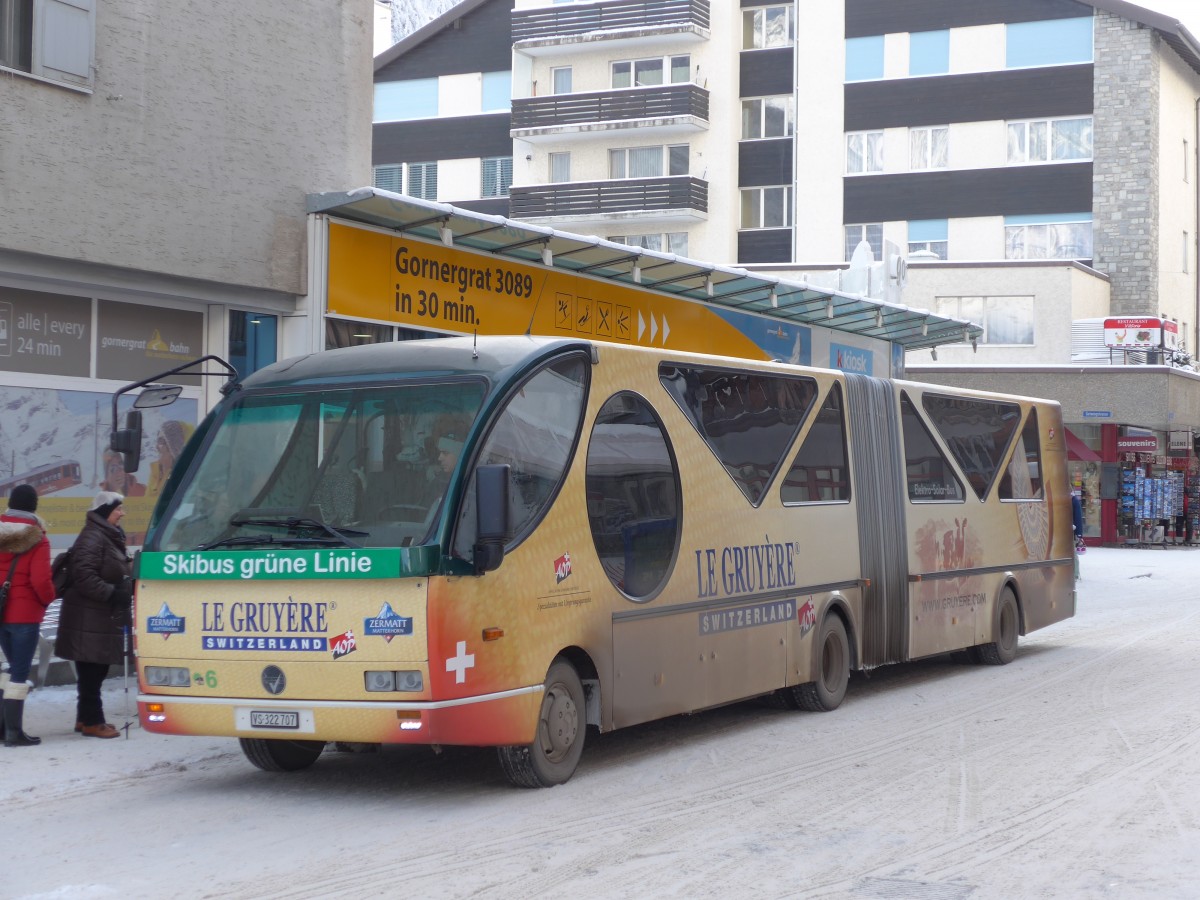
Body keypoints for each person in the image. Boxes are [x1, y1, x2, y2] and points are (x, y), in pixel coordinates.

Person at [54, 491, 133, 739]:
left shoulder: (107, 536)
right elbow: (85, 577)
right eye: (117, 509)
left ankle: (84, 718)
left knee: (94, 669)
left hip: (95, 616)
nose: (122, 513)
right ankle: (92, 721)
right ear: (104, 512)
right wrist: (113, 594)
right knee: (92, 669)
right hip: (87, 616)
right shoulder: (93, 537)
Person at [0, 484, 56, 748]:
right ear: (34, 507)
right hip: (24, 616)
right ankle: (13, 732)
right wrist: (48, 599)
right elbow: (41, 581)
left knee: (8, 669)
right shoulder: (38, 539)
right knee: (20, 671)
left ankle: (2, 729)